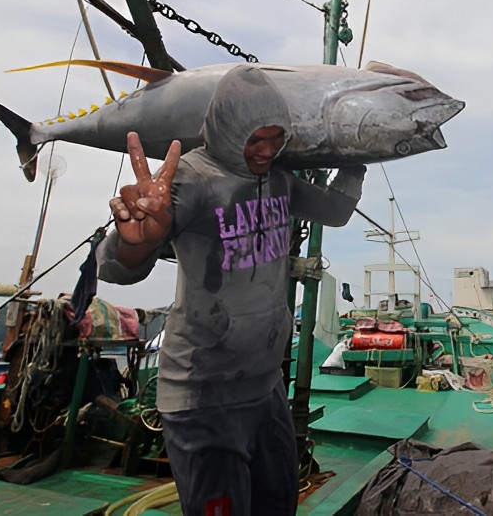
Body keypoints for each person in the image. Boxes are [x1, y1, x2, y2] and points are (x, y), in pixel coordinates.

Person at [97, 65, 366, 515]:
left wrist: (359, 157)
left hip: (264, 387)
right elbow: (115, 269)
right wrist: (134, 241)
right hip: (203, 393)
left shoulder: (277, 178)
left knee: (278, 503)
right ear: (225, 129)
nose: (266, 151)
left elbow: (334, 211)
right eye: (254, 139)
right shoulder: (192, 178)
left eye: (276, 138)